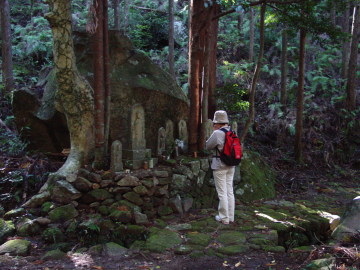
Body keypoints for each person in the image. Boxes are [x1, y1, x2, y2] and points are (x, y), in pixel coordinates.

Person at [205, 110, 235, 225]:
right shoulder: (232, 132)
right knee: (229, 192)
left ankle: (224, 218)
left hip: (219, 165)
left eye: (214, 123)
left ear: (218, 123)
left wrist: (213, 133)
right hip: (231, 164)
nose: (213, 125)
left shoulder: (217, 133)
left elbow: (208, 146)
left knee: (222, 193)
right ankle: (231, 217)